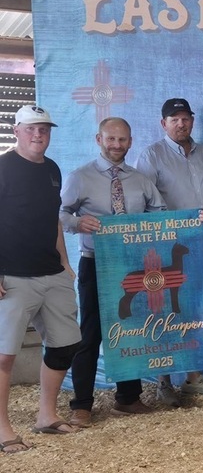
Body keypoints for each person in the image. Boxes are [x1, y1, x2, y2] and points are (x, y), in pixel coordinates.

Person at [60, 117, 166, 428]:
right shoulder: (80, 177)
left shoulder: (140, 179)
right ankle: (81, 404)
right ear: (99, 139)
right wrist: (79, 223)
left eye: (122, 140)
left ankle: (128, 398)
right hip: (95, 261)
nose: (116, 145)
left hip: (132, 264)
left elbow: (159, 212)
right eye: (111, 139)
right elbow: (62, 214)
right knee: (90, 332)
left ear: (131, 141)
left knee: (131, 328)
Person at [0, 105, 82, 454]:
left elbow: (54, 221)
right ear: (16, 130)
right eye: (32, 129)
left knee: (65, 345)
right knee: (4, 355)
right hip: (11, 275)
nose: (38, 135)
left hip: (52, 272)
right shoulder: (2, 167)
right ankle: (2, 428)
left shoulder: (52, 169)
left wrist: (64, 261)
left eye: (44, 129)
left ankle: (46, 415)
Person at [135, 98, 203, 406]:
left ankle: (192, 379)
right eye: (174, 119)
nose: (180, 123)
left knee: (200, 313)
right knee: (167, 314)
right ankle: (164, 381)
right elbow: (143, 204)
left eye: (185, 118)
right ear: (163, 124)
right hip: (168, 251)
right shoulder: (151, 156)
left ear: (192, 121)